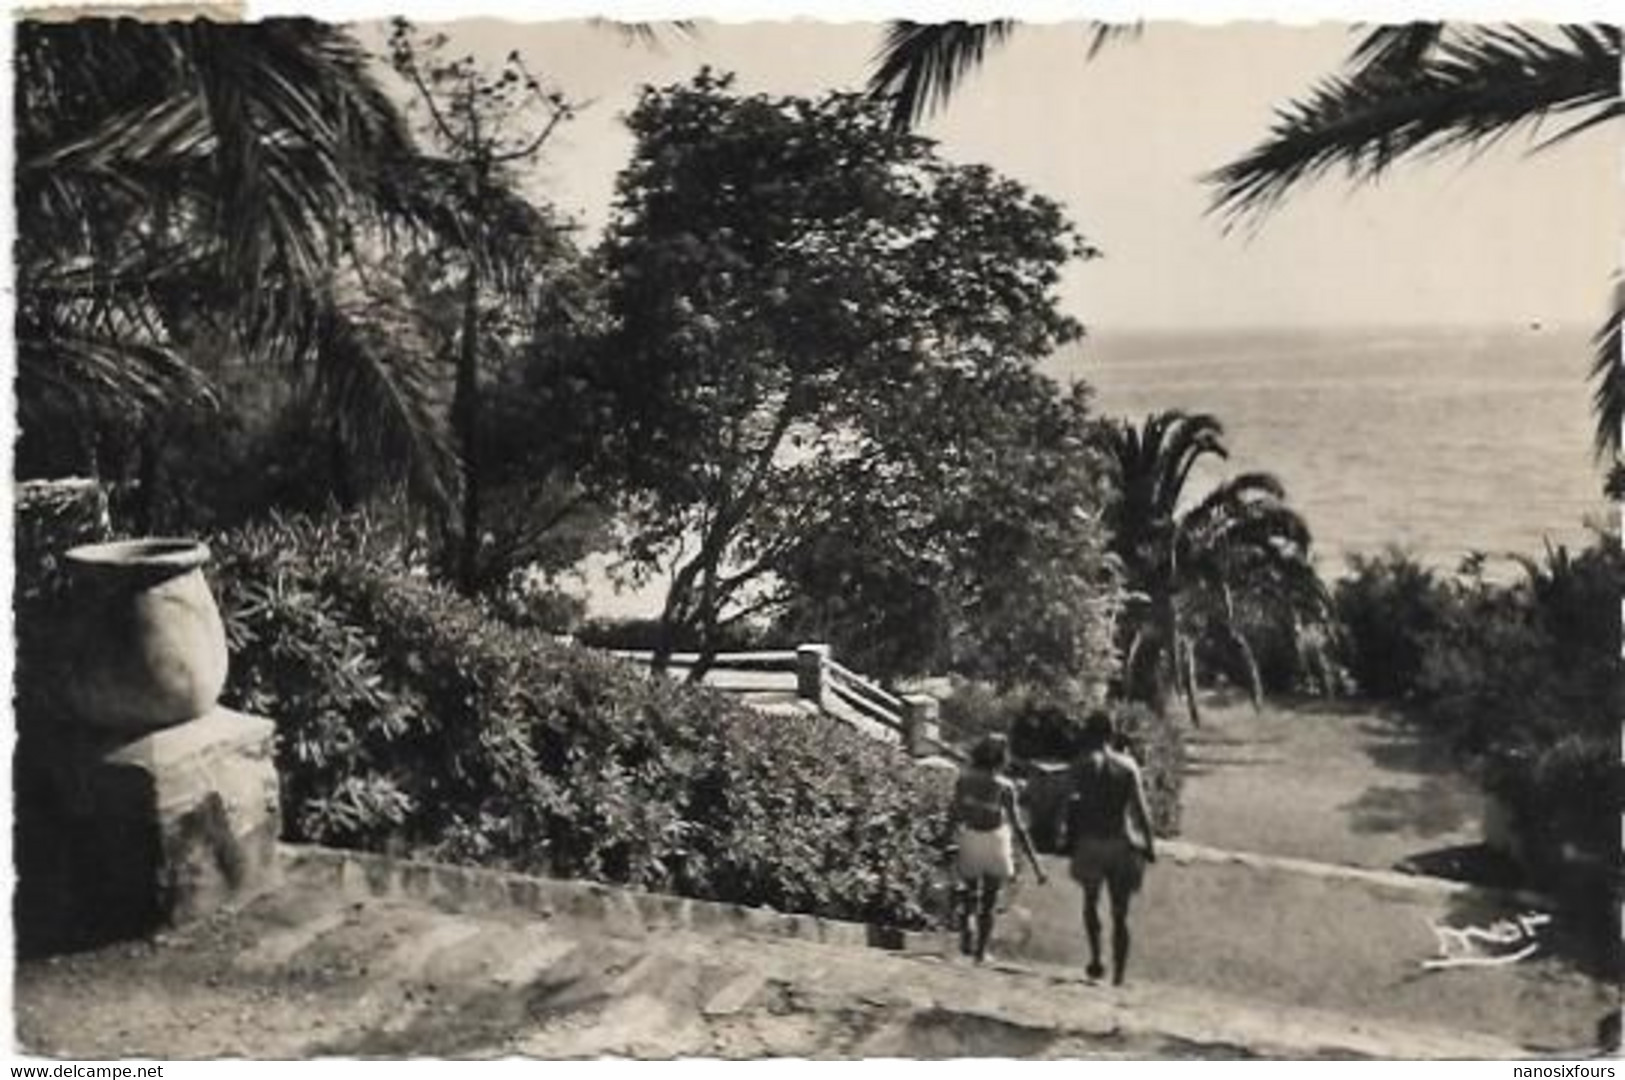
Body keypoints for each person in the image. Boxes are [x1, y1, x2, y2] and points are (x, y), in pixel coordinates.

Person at [1064, 709, 1157, 986]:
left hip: (1091, 841)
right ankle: (1119, 974)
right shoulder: (1128, 766)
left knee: (1090, 903)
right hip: (1121, 842)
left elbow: (1070, 805)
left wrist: (1068, 838)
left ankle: (1096, 958)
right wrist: (1150, 844)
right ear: (1112, 733)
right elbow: (1142, 811)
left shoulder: (1080, 765)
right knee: (1121, 912)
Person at [950, 733, 1046, 963]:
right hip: (995, 840)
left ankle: (967, 933)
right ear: (1003, 758)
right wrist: (1036, 864)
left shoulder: (964, 780)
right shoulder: (1005, 787)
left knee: (969, 894)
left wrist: (946, 839)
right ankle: (981, 952)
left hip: (971, 836)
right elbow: (1019, 827)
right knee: (989, 900)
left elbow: (954, 813)